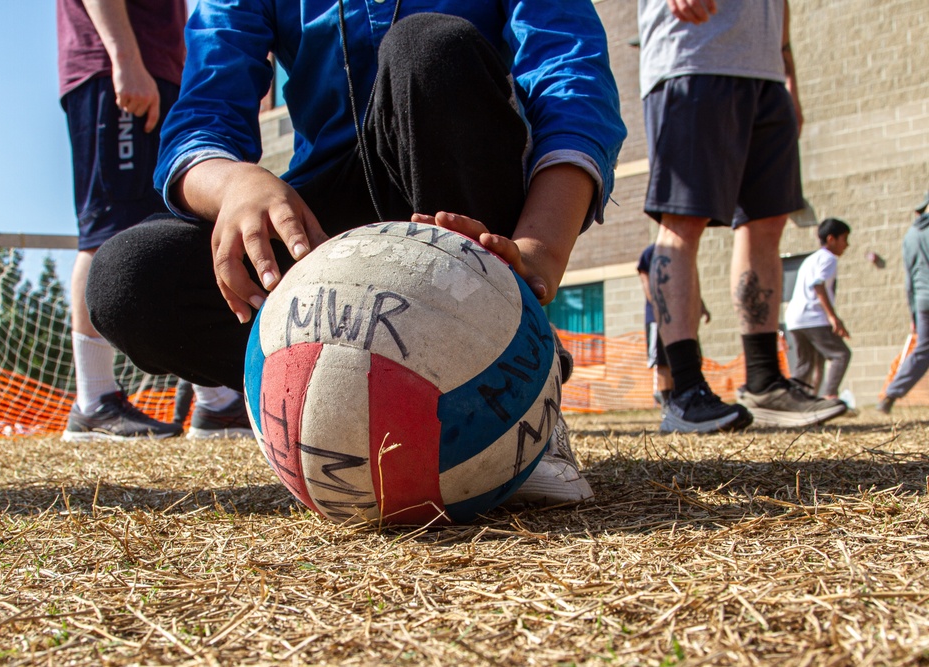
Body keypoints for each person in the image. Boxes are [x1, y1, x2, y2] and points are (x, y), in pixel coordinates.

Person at [85, 1, 627, 503]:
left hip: (462, 215)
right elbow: (202, 115)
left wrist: (539, 251)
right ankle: (327, 418)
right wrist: (236, 184)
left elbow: (570, 76)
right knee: (129, 279)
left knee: (429, 48)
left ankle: (518, 402)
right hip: (324, 223)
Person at [638, 0, 847, 432]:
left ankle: (765, 382)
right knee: (681, 221)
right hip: (691, 59)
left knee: (767, 222)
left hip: (766, 73)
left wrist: (789, 74)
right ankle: (684, 391)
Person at [57, 0, 253, 441]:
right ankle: (94, 401)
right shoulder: (122, 62)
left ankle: (218, 402)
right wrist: (125, 60)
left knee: (168, 228)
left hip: (160, 74)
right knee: (108, 229)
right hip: (117, 73)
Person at [784, 217, 852, 400]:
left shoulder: (810, 260)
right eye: (844, 239)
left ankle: (796, 400)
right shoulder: (829, 259)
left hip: (795, 319)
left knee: (807, 365)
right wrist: (833, 317)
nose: (847, 245)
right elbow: (818, 285)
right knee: (841, 354)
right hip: (813, 318)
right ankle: (830, 396)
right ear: (831, 239)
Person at [637, 243, 711, 407]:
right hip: (660, 318)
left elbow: (689, 283)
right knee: (662, 361)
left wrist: (700, 305)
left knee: (692, 356)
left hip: (682, 318)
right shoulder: (650, 252)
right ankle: (667, 403)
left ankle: (685, 397)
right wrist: (659, 307)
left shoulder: (680, 250)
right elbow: (646, 281)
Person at [878, 192, 929, 414]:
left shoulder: (910, 235)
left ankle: (891, 393)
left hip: (922, 301)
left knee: (923, 350)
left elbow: (909, 279)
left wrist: (913, 314)